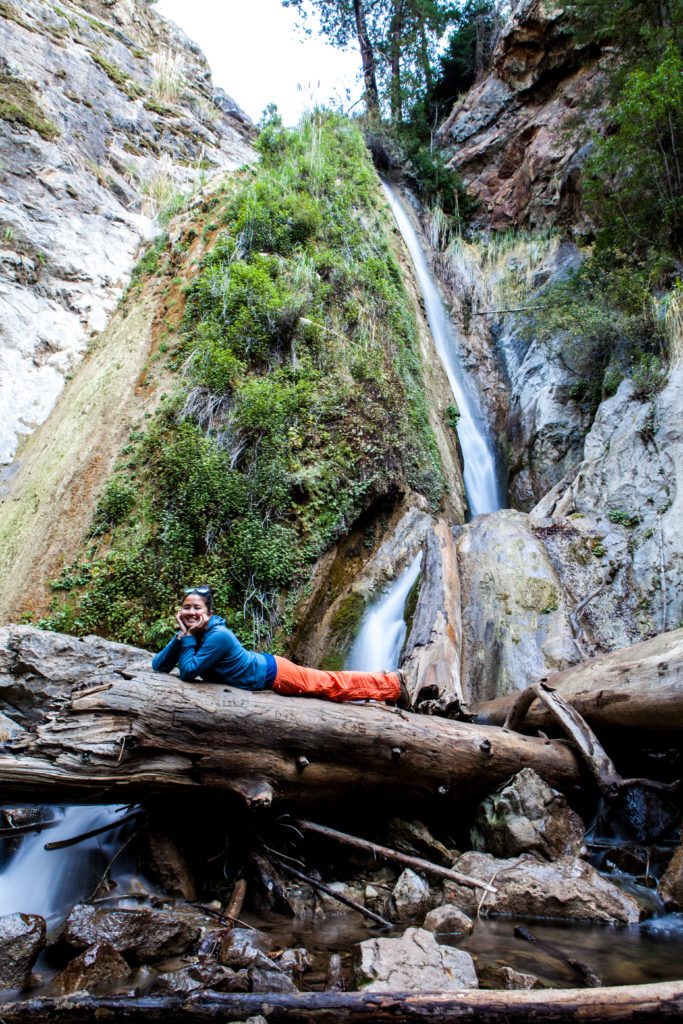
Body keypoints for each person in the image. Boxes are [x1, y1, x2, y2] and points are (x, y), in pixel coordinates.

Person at [152, 585, 411, 707]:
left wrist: (185, 638)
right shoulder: (193, 633)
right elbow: (159, 665)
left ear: (209, 612)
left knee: (332, 685)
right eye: (186, 607)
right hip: (267, 670)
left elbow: (188, 672)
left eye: (197, 608)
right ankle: (385, 683)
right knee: (330, 684)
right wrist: (181, 636)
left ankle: (392, 685)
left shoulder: (219, 636)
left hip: (275, 674)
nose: (190, 612)